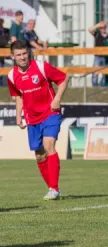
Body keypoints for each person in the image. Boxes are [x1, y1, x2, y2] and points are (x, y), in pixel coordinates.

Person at [7, 40, 69, 200]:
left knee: (49, 145)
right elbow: (18, 97)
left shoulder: (41, 67)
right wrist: (18, 115)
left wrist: (56, 99)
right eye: (19, 55)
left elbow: (64, 79)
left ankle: (54, 189)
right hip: (32, 118)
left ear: (28, 53)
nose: (22, 57)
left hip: (50, 113)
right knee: (39, 155)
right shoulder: (12, 76)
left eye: (24, 54)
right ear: (12, 57)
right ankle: (52, 188)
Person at [88, 20, 108, 87]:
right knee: (95, 72)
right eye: (101, 28)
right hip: (97, 57)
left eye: (104, 27)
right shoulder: (97, 35)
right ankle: (94, 85)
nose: (103, 29)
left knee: (105, 72)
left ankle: (103, 85)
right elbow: (89, 30)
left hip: (105, 57)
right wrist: (98, 25)